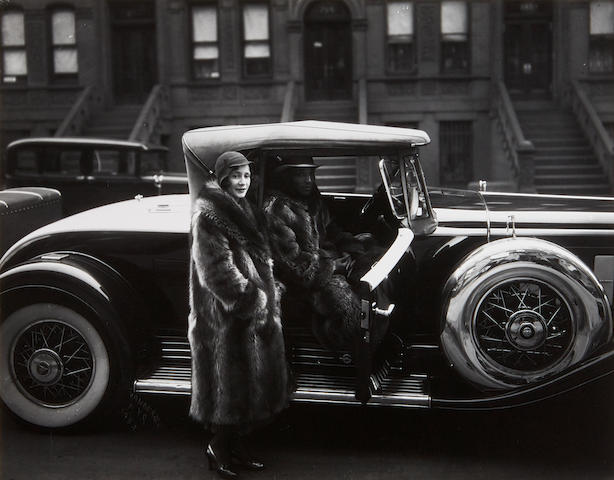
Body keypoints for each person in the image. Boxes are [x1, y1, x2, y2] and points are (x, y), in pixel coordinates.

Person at [188, 151, 292, 479]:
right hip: (225, 316)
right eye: (236, 176)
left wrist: (270, 293)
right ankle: (218, 448)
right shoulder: (209, 215)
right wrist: (253, 301)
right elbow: (216, 270)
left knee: (248, 386)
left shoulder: (247, 210)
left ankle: (237, 447)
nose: (243, 182)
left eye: (246, 176)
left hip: (250, 313)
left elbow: (259, 260)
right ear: (223, 178)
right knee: (228, 389)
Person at [263, 155, 382, 352]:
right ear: (287, 177)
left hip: (325, 265)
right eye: (301, 175)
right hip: (299, 282)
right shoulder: (277, 209)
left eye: (311, 174)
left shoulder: (313, 201)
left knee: (371, 265)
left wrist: (352, 248)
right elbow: (294, 266)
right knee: (349, 307)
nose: (309, 180)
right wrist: (333, 266)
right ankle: (345, 354)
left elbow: (332, 231)